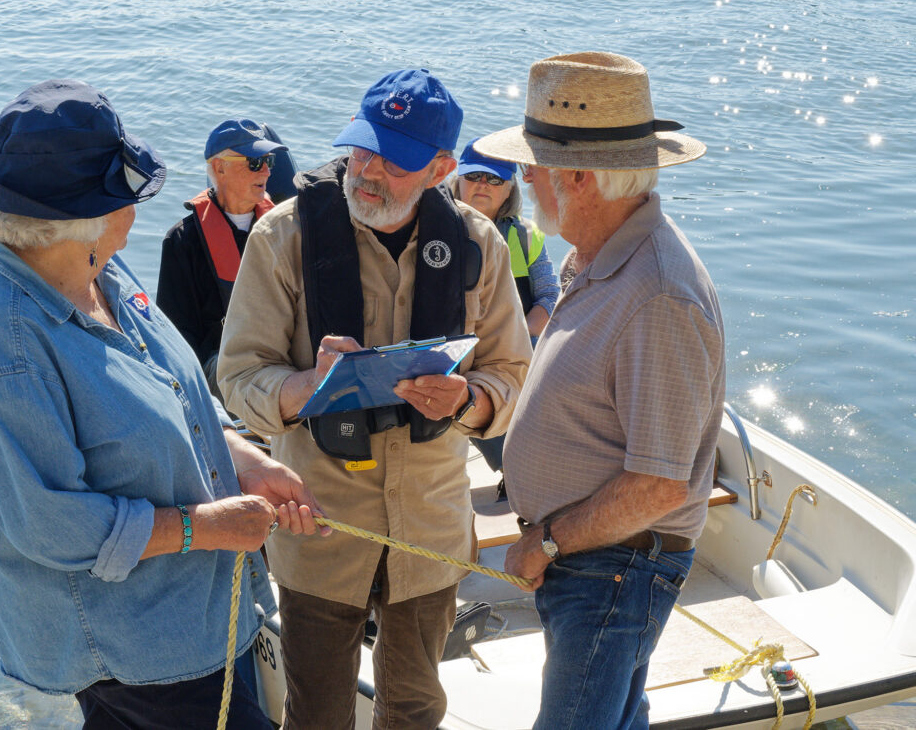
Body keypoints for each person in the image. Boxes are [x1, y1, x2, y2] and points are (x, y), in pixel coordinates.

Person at [0, 80, 328, 730]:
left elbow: (175, 395)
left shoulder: (97, 267)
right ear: (74, 220)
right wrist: (209, 527)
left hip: (199, 621)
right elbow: (52, 527)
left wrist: (244, 457)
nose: (135, 213)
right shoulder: (1, 346)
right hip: (136, 654)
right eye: (121, 198)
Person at [217, 68, 532, 729]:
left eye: (394, 162)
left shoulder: (480, 244)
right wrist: (307, 387)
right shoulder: (282, 237)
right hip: (321, 529)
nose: (367, 171)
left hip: (431, 530)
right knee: (318, 715)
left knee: (416, 708)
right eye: (362, 149)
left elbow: (512, 374)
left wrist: (467, 401)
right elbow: (239, 377)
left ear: (442, 166)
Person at [478, 52, 726, 729]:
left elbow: (658, 488)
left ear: (579, 179)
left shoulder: (658, 297)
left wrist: (547, 542)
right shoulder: (593, 253)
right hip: (596, 564)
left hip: (613, 569)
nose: (523, 178)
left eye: (534, 166)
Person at [450, 138, 559, 487]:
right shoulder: (432, 230)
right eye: (474, 176)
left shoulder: (527, 237)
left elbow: (549, 297)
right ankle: (518, 472)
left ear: (510, 186)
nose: (482, 184)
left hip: (513, 348)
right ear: (457, 179)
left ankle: (522, 471)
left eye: (494, 178)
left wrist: (513, 337)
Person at [156, 118, 288, 400]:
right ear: (220, 168)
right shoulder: (183, 241)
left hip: (280, 354)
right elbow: (178, 337)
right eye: (254, 162)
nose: (265, 171)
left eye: (268, 161)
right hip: (221, 367)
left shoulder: (285, 229)